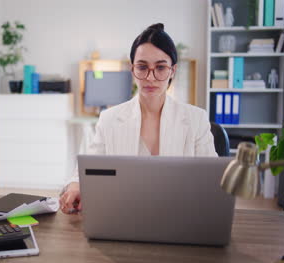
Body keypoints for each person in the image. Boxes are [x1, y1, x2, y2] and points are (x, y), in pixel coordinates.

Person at [59, 23, 217, 214]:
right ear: (132, 68)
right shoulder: (109, 119)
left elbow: (212, 181)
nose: (150, 77)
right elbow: (88, 170)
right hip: (124, 214)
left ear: (172, 71)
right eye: (142, 67)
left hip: (181, 215)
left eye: (160, 67)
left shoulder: (196, 119)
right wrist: (76, 185)